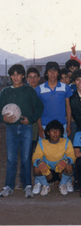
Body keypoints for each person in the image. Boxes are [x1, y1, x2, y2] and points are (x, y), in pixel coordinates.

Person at [0, 64, 44, 198]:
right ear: (10, 76)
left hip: (26, 128)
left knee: (26, 158)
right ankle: (8, 186)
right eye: (13, 75)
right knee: (11, 158)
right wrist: (3, 118)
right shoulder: (5, 92)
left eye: (18, 74)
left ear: (23, 76)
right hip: (11, 129)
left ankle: (28, 186)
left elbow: (39, 107)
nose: (15, 77)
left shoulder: (29, 90)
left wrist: (29, 119)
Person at [32, 120, 76, 196]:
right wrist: (40, 162)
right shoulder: (41, 142)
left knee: (69, 166)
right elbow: (35, 156)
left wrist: (66, 160)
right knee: (36, 167)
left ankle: (62, 184)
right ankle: (46, 185)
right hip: (48, 172)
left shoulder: (66, 142)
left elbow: (72, 156)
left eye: (57, 131)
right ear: (48, 133)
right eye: (52, 131)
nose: (55, 133)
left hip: (61, 171)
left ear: (60, 132)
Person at [36, 61, 73, 139]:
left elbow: (68, 107)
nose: (52, 73)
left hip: (62, 125)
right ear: (46, 73)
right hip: (44, 126)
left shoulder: (65, 87)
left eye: (55, 71)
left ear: (58, 73)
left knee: (63, 150)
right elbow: (37, 110)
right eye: (50, 71)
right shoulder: (39, 89)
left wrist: (68, 125)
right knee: (44, 150)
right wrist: (40, 127)